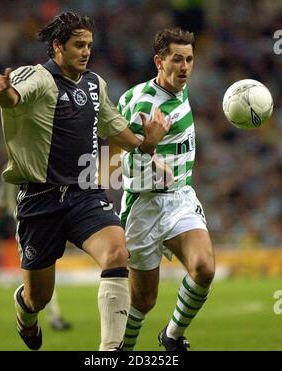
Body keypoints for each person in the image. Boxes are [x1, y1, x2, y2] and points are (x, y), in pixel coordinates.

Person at [0, 12, 170, 351]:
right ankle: (25, 312)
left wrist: (148, 145)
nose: (85, 52)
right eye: (78, 45)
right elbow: (14, 97)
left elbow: (116, 128)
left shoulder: (94, 84)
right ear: (57, 46)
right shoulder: (38, 77)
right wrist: (2, 91)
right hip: (39, 200)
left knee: (117, 252)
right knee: (38, 297)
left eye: (88, 45)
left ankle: (110, 351)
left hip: (85, 193)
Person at [118, 27, 216, 351]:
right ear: (159, 61)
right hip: (143, 206)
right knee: (144, 301)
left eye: (189, 59)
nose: (185, 67)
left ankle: (171, 336)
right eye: (177, 59)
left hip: (180, 198)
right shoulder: (138, 104)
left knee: (204, 268)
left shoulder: (181, 88)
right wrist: (149, 145)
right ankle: (125, 348)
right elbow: (125, 168)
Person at [0, 175, 72, 331]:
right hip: (26, 221)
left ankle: (49, 315)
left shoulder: (22, 163)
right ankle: (46, 315)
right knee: (40, 269)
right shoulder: (11, 169)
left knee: (42, 268)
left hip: (40, 218)